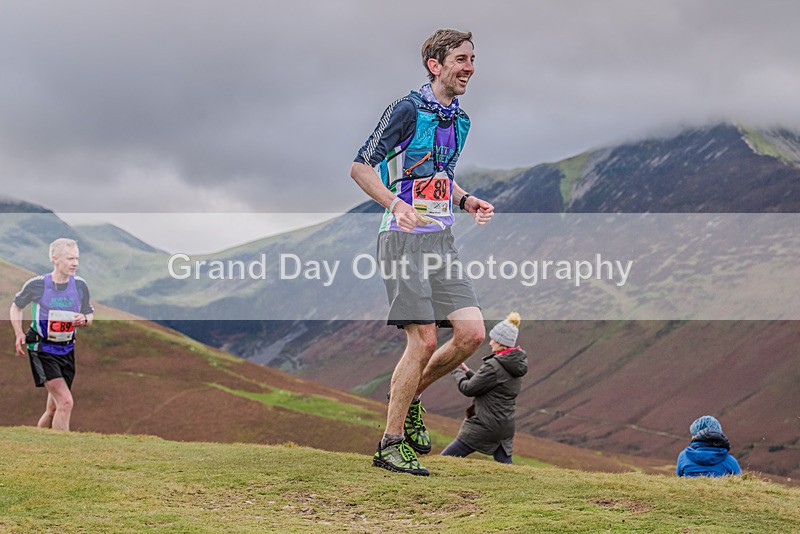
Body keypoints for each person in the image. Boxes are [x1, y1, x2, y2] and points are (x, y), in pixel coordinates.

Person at [350, 28, 494, 476]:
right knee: (425, 339)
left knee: (471, 334)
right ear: (436, 65)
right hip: (401, 237)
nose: (470, 66)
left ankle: (408, 397)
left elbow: (438, 176)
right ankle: (390, 444)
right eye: (461, 59)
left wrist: (465, 200)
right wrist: (395, 203)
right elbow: (360, 167)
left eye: (472, 58)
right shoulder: (407, 109)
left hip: (441, 239)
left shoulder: (461, 120)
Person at [9, 238, 94, 432]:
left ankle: (39, 445)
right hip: (42, 349)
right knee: (65, 402)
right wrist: (18, 332)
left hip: (66, 350)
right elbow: (16, 306)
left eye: (77, 258)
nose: (75, 263)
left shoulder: (80, 285)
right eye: (70, 258)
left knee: (54, 407)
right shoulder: (37, 284)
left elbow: (89, 313)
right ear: (55, 259)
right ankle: (63, 454)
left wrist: (85, 320)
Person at [441, 312, 527, 464]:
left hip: (484, 426)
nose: (490, 342)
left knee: (445, 460)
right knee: (507, 470)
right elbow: (492, 384)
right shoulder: (516, 365)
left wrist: (455, 370)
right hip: (504, 427)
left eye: (493, 339)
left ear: (500, 342)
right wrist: (467, 372)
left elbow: (468, 389)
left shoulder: (494, 365)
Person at [676, 415, 742, 477]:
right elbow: (740, 483)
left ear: (697, 436)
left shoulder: (683, 457)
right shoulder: (729, 460)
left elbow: (678, 481)